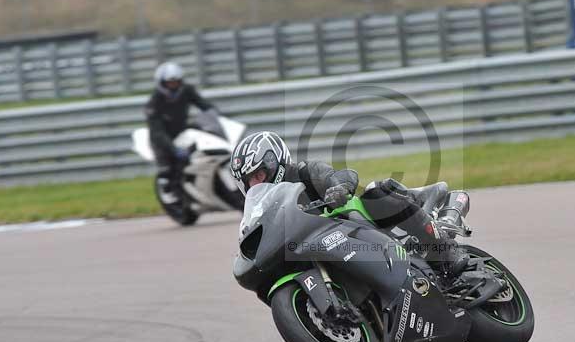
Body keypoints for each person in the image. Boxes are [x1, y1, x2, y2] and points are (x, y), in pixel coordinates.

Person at [229, 131, 468, 273]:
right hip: (327, 251)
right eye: (248, 182)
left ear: (274, 161)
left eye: (258, 175)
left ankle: (445, 248)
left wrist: (339, 188)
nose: (255, 184)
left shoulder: (305, 172)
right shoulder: (263, 207)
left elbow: (344, 175)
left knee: (376, 193)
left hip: (360, 229)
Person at [145, 61, 215, 201]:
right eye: (170, 83)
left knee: (206, 139)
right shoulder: (154, 102)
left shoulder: (187, 90)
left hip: (182, 131)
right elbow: (157, 131)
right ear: (162, 83)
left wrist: (214, 113)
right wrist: (173, 148)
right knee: (168, 167)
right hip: (163, 137)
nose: (174, 85)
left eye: (176, 82)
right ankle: (168, 191)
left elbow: (203, 104)